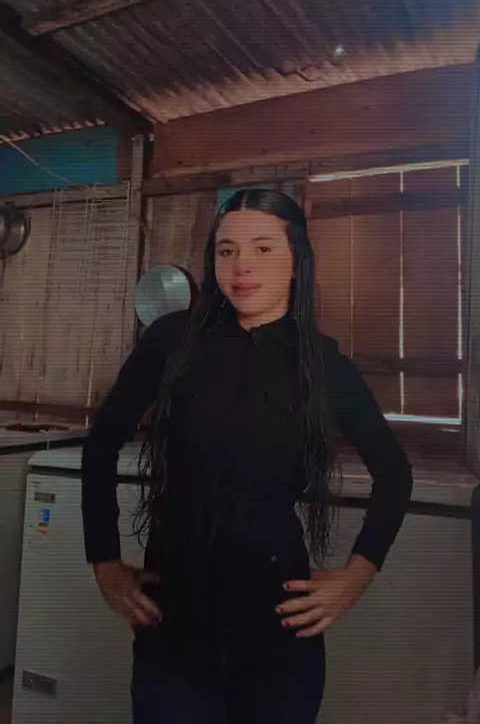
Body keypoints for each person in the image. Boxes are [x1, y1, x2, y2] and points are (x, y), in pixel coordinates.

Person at [81, 188, 413, 724]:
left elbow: (394, 473)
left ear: (295, 259)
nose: (241, 267)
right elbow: (100, 447)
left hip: (278, 634)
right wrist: (104, 561)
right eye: (226, 250)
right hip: (175, 630)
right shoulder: (171, 340)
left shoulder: (321, 362)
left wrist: (357, 575)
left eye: (263, 248)